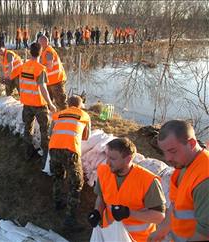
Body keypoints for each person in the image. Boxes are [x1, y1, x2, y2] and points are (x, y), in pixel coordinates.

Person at [88, 137, 166, 242]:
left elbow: (159, 217)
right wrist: (97, 212)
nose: (107, 162)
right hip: (109, 235)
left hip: (137, 239)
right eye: (107, 157)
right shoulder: (104, 171)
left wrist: (129, 213)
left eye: (113, 159)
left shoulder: (148, 181)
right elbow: (101, 198)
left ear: (128, 159)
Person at [148, 120, 209, 242]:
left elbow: (204, 234)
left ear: (191, 143)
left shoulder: (205, 179)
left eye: (172, 151)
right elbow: (176, 206)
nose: (167, 158)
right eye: (164, 152)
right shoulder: (182, 166)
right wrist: (160, 231)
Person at [49, 95, 91, 231]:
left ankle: (57, 203)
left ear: (68, 104)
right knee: (77, 182)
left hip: (53, 148)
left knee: (58, 176)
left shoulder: (58, 114)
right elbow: (86, 137)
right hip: (70, 150)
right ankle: (70, 220)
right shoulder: (84, 115)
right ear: (80, 106)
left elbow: (51, 132)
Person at [19, 42, 56, 160]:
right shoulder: (40, 69)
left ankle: (27, 153)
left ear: (30, 52)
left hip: (26, 103)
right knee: (44, 130)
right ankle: (46, 157)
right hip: (39, 105)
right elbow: (43, 88)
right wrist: (50, 104)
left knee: (27, 128)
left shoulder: (23, 66)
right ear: (41, 53)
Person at [38, 36, 67, 110]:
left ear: (44, 42)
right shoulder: (44, 52)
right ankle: (53, 118)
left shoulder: (48, 52)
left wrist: (39, 67)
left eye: (39, 43)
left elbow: (49, 66)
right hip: (50, 81)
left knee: (61, 103)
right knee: (49, 102)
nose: (38, 45)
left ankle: (66, 119)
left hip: (56, 81)